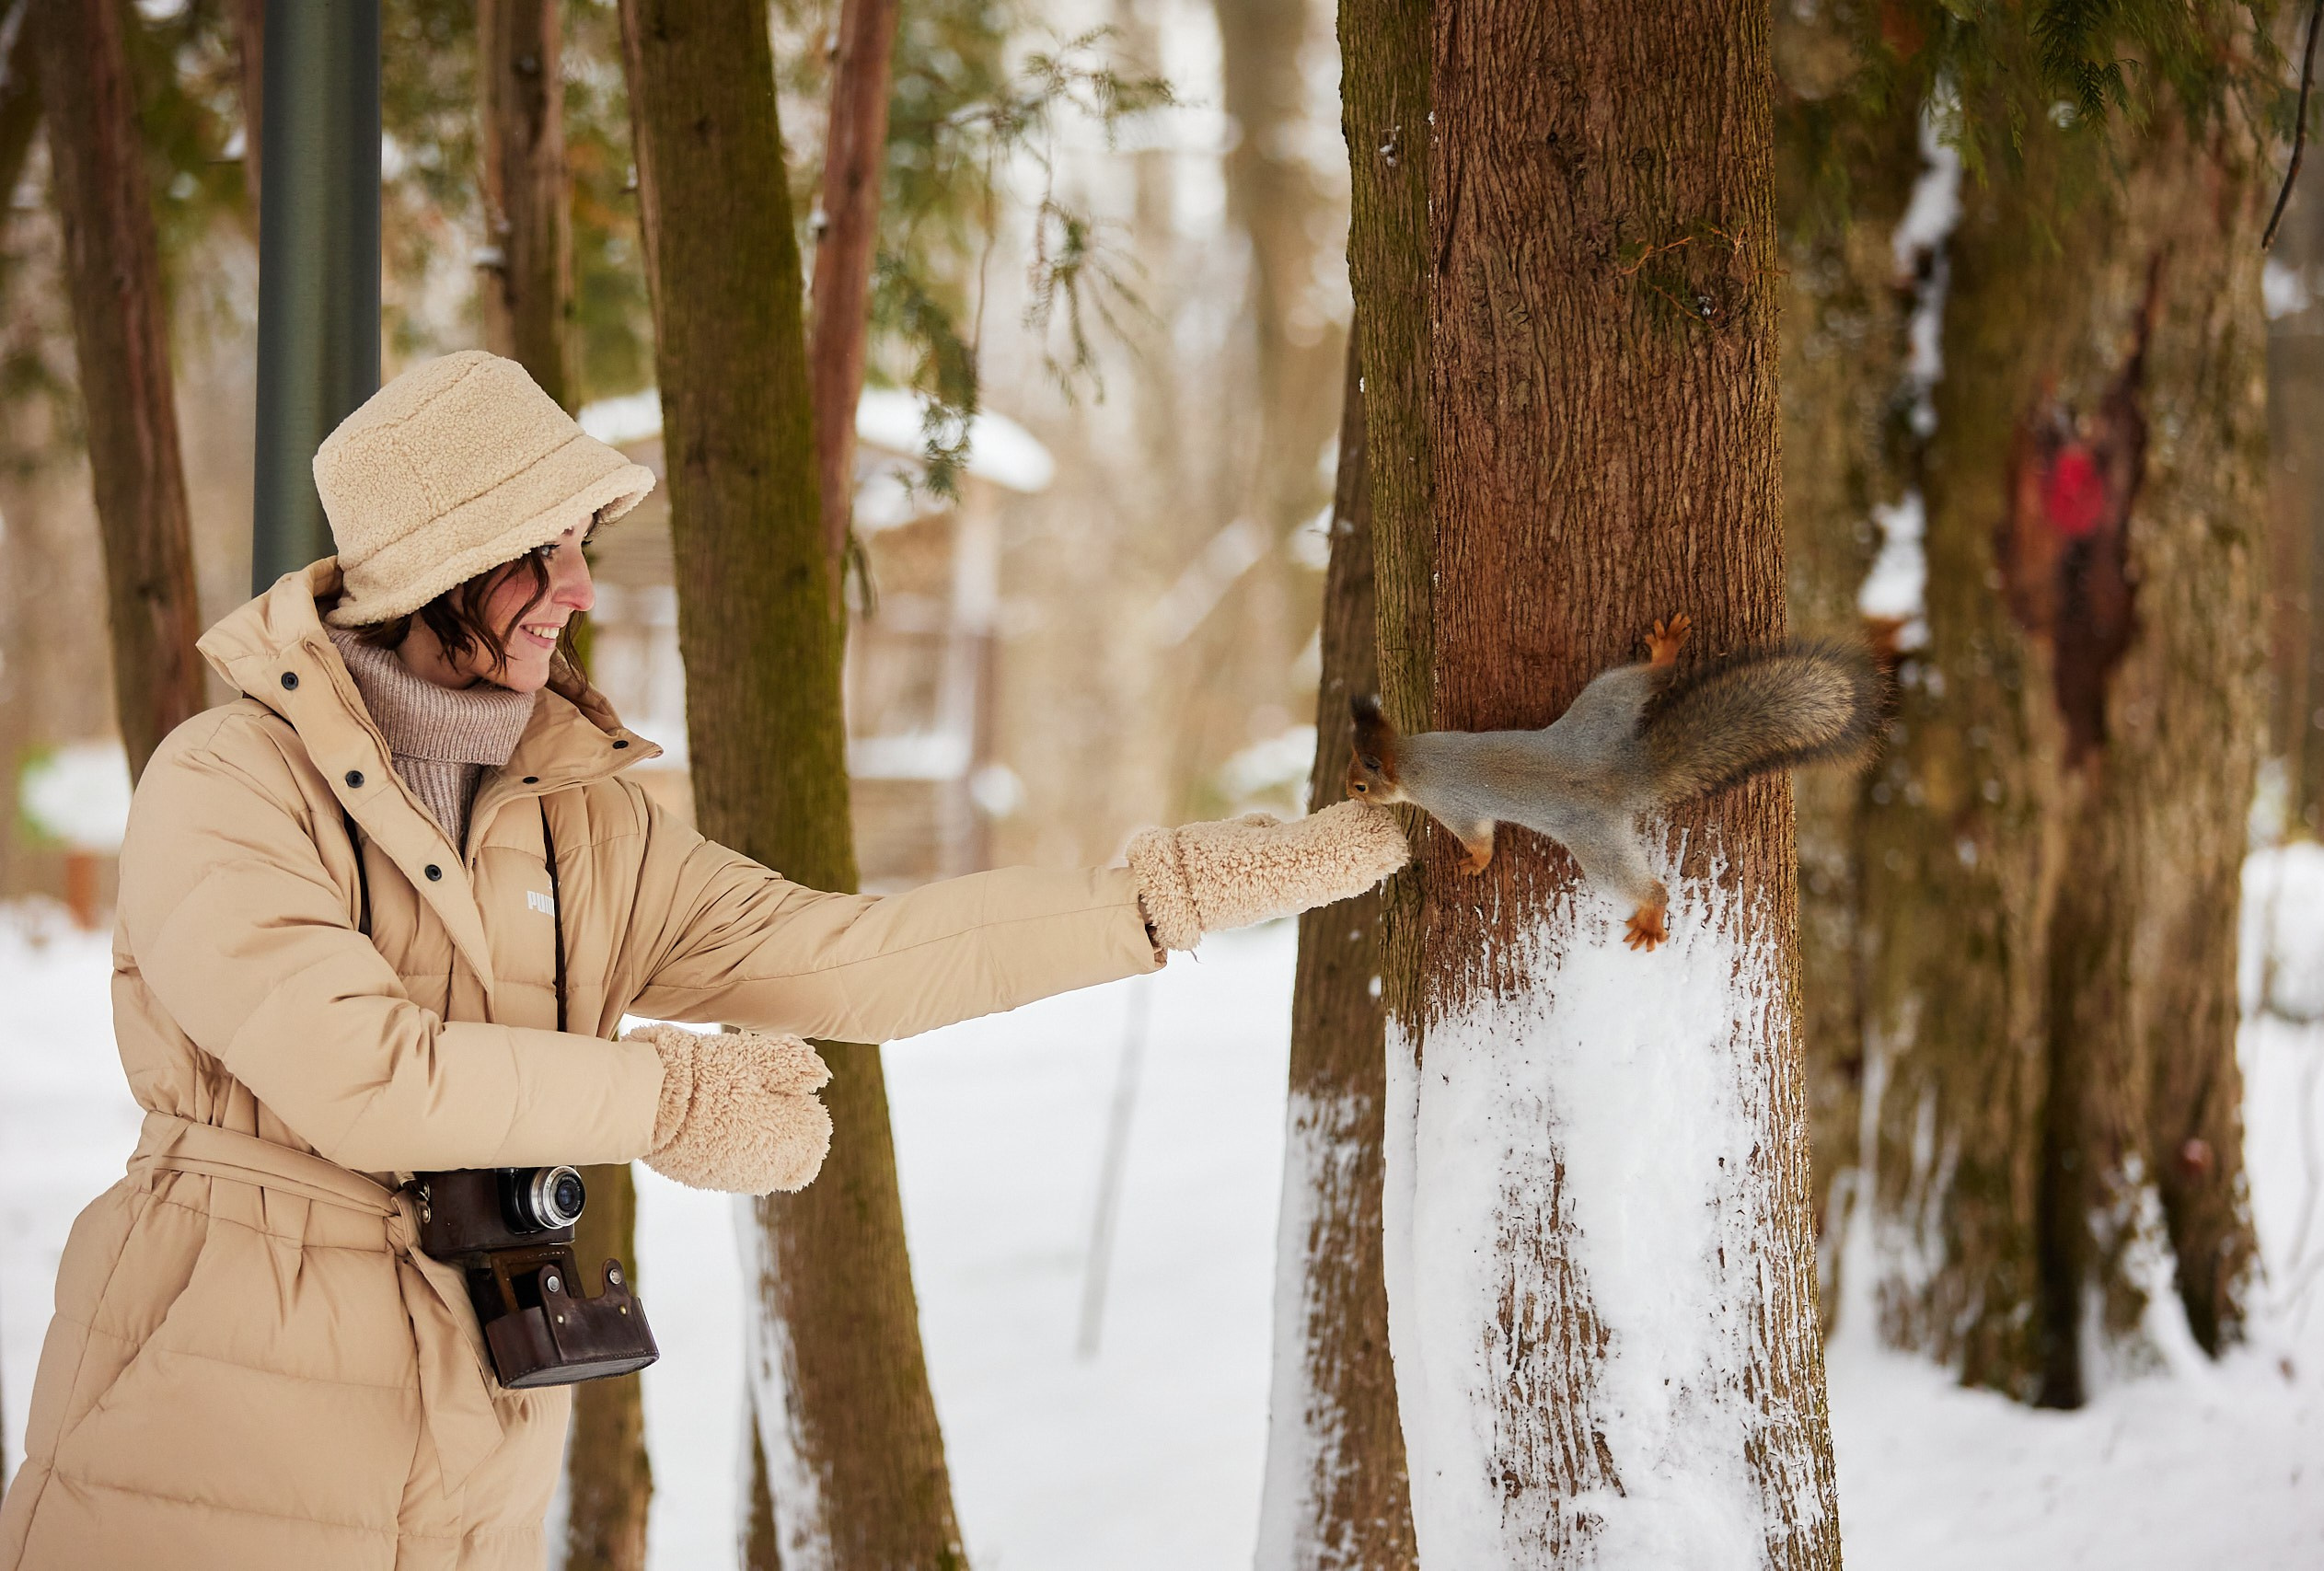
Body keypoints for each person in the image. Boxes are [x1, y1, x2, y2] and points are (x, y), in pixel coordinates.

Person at [0, 351, 1406, 1571]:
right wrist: (661, 1102)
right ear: (435, 566)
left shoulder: (585, 822)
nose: (575, 592)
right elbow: (363, 1077)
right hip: (217, 1402)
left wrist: (1162, 901)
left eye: (580, 549)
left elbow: (853, 957)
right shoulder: (229, 782)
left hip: (479, 1405)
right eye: (538, 553)